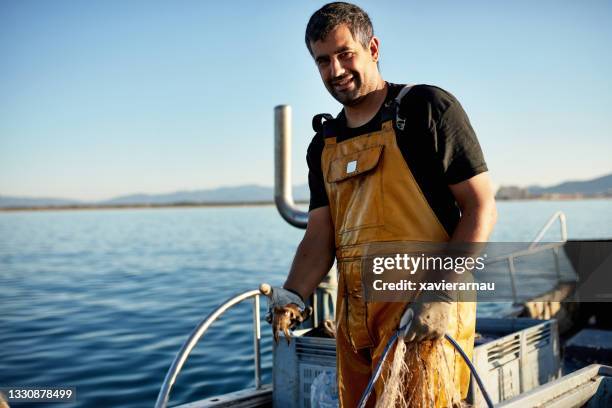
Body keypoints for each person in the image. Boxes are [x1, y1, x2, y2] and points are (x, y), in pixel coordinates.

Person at [267, 2, 497, 406]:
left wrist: (441, 295)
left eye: (345, 54)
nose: (335, 71)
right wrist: (294, 295)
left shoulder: (426, 109)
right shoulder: (324, 144)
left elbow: (481, 209)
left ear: (372, 48)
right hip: (355, 327)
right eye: (323, 61)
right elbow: (320, 235)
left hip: (423, 321)